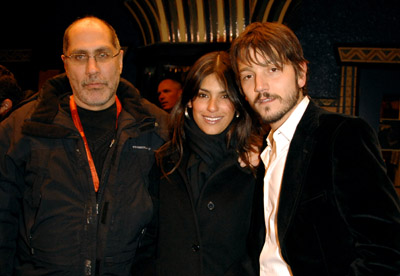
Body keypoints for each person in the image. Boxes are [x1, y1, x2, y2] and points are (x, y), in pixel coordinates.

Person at [0, 16, 168, 275]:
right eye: (80, 57)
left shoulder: (159, 129)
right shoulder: (20, 129)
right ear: (65, 64)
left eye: (102, 55)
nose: (92, 68)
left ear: (120, 60)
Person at [230, 22, 400, 275]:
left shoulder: (341, 135)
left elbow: (387, 251)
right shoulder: (268, 152)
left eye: (273, 69)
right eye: (248, 75)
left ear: (301, 73)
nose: (260, 86)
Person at [149, 51, 263, 275]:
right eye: (203, 95)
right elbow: (148, 240)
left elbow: (262, 246)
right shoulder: (164, 162)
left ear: (239, 105)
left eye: (224, 96)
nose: (212, 107)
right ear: (190, 101)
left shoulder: (256, 165)